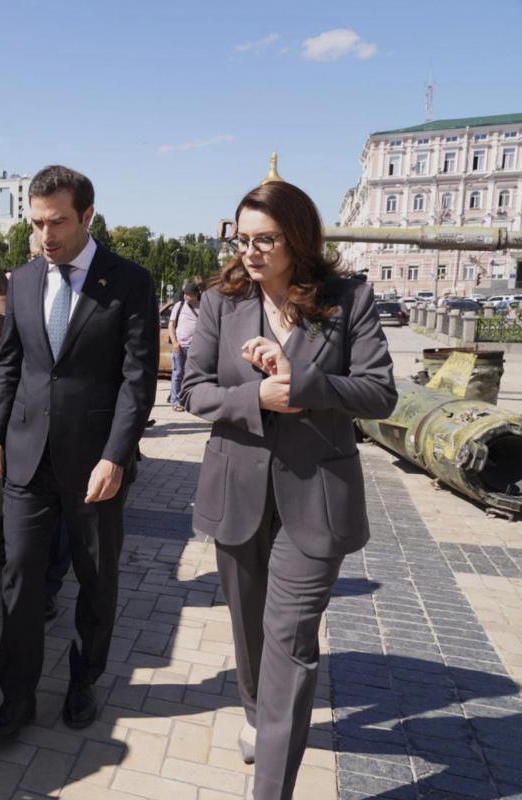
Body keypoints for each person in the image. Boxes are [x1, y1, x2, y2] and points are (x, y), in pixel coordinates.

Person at [181, 179, 396, 799]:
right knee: (249, 631)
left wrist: (300, 384)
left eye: (264, 240)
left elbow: (379, 392)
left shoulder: (347, 300)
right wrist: (256, 396)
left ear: (298, 238)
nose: (249, 252)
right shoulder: (221, 302)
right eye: (241, 239)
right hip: (236, 493)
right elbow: (192, 390)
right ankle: (257, 714)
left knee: (290, 641)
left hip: (315, 500)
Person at [0, 165, 159, 739]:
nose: (45, 235)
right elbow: (10, 364)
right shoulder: (24, 279)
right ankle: (17, 699)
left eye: (57, 222)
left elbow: (137, 381)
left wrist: (116, 456)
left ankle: (83, 682)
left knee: (96, 579)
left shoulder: (130, 282)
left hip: (95, 466)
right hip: (27, 459)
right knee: (20, 578)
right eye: (36, 223)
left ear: (87, 215)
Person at [168, 283, 201, 411]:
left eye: (189, 294)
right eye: (185, 294)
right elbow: (171, 325)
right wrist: (175, 342)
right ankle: (176, 402)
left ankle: (190, 401)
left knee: (193, 376)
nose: (186, 296)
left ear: (196, 294)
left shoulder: (202, 307)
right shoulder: (179, 306)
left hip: (195, 348)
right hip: (180, 346)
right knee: (178, 374)